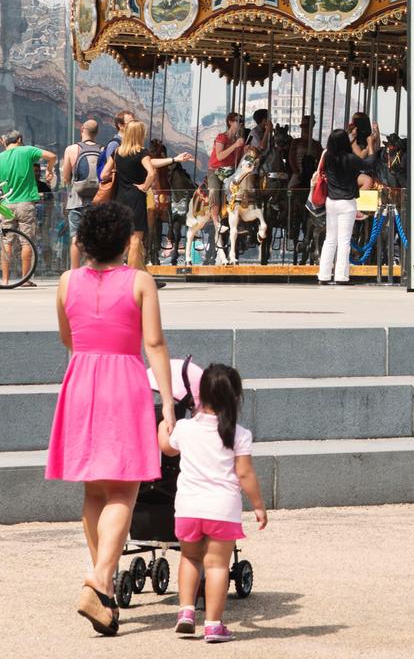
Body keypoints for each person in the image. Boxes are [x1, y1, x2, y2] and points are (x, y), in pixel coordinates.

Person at [47, 202, 173, 636]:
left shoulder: (66, 282)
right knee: (124, 488)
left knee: (94, 489)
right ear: (124, 241)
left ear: (84, 242)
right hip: (124, 382)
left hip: (81, 380)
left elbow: (67, 338)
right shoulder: (140, 281)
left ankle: (103, 588)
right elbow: (154, 344)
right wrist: (168, 402)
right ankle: (100, 580)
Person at [159, 363, 267, 643]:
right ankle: (213, 625)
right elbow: (245, 473)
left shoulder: (185, 428)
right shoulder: (239, 434)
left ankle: (185, 612)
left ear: (200, 394)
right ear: (235, 397)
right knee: (217, 566)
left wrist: (163, 424)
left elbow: (166, 448)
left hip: (188, 508)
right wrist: (258, 505)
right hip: (222, 510)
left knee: (190, 558)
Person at [97, 120, 193, 269]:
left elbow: (103, 174)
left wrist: (119, 173)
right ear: (139, 134)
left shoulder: (117, 152)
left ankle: (118, 270)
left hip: (119, 199)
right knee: (136, 239)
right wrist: (145, 186)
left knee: (122, 238)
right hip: (136, 198)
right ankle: (132, 274)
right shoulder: (141, 152)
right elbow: (152, 172)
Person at [0, 130, 55, 286]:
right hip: (26, 204)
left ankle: (5, 279)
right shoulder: (27, 151)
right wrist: (49, 170)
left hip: (6, 205)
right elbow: (52, 156)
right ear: (19, 139)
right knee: (26, 242)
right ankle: (25, 279)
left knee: (6, 242)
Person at [317, 128, 368, 286]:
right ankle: (341, 276)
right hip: (347, 203)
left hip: (331, 202)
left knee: (330, 239)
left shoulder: (327, 157)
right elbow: (369, 164)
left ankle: (324, 275)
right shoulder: (350, 158)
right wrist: (371, 147)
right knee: (344, 240)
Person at [59, 119, 106, 270]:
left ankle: (75, 271)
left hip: (76, 201)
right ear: (96, 133)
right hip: (97, 202)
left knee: (76, 239)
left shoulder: (71, 149)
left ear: (82, 130)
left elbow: (66, 177)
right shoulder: (103, 150)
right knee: (96, 238)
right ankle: (94, 270)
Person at [207, 113, 246, 216]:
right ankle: (216, 220)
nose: (241, 123)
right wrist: (235, 145)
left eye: (242, 121)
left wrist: (246, 150)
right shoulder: (222, 137)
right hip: (216, 170)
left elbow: (240, 158)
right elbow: (219, 156)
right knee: (214, 192)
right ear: (230, 122)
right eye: (238, 121)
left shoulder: (239, 141)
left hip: (231, 171)